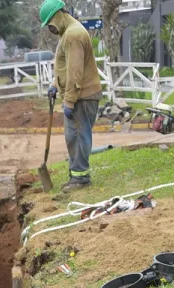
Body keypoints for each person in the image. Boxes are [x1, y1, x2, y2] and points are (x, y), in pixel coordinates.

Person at [40, 0, 103, 191]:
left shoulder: (73, 36)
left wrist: (69, 100)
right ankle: (76, 175)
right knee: (73, 136)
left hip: (81, 96)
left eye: (49, 23)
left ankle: (80, 178)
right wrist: (54, 85)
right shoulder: (68, 33)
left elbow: (75, 73)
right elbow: (66, 67)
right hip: (79, 95)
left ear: (58, 15)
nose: (50, 29)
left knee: (77, 136)